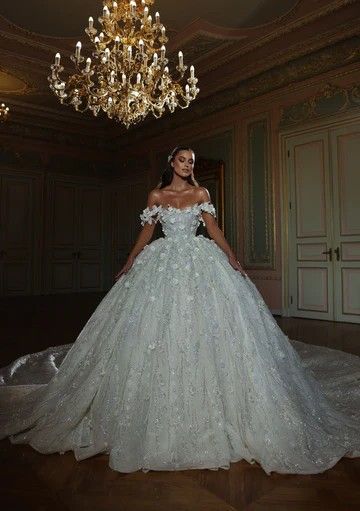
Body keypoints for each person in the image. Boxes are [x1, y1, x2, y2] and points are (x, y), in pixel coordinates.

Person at [0, 145, 359, 475]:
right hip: (163, 262)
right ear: (171, 163)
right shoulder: (157, 195)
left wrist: (232, 257)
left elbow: (214, 230)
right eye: (182, 160)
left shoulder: (202, 194)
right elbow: (147, 232)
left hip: (201, 260)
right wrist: (130, 260)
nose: (188, 165)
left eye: (191, 161)